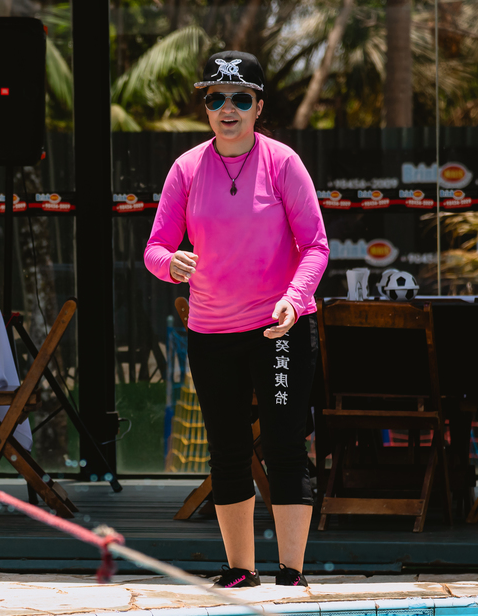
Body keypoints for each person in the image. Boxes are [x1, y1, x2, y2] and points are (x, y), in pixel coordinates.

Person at [144, 51, 328, 588]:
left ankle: (291, 572)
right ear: (206, 107)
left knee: (285, 445)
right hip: (211, 330)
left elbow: (315, 245)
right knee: (226, 448)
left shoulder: (283, 163)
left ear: (258, 106)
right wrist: (170, 263)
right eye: (216, 98)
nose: (228, 108)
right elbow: (155, 249)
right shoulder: (186, 168)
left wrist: (294, 298)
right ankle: (240, 570)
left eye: (240, 98)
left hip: (279, 328)